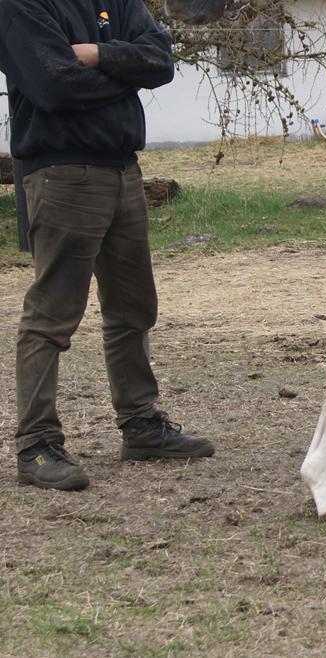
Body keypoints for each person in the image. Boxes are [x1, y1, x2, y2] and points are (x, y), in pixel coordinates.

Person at [0, 0, 214, 490]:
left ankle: (140, 425)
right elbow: (53, 84)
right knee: (52, 315)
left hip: (123, 170)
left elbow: (160, 60)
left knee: (133, 307)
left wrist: (96, 55)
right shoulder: (21, 7)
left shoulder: (114, 1)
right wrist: (127, 69)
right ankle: (36, 445)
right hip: (61, 174)